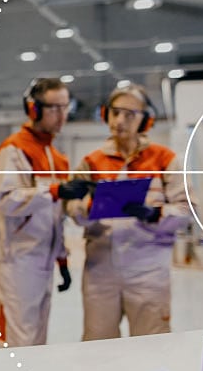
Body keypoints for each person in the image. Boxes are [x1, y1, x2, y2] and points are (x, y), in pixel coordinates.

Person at [74, 84, 188, 340]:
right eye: (115, 113)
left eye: (129, 114)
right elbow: (74, 212)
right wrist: (84, 204)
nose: (120, 121)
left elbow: (187, 211)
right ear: (106, 115)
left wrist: (154, 214)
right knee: (98, 346)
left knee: (152, 344)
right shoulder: (91, 162)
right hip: (100, 271)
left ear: (145, 120)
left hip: (148, 271)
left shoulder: (165, 159)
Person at [0, 78, 91, 347]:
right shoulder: (14, 149)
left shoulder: (57, 157)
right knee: (17, 338)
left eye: (65, 107)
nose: (62, 115)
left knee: (38, 338)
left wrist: (61, 259)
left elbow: (55, 215)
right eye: (54, 108)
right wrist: (56, 191)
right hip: (18, 262)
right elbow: (7, 200)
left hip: (45, 260)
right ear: (34, 109)